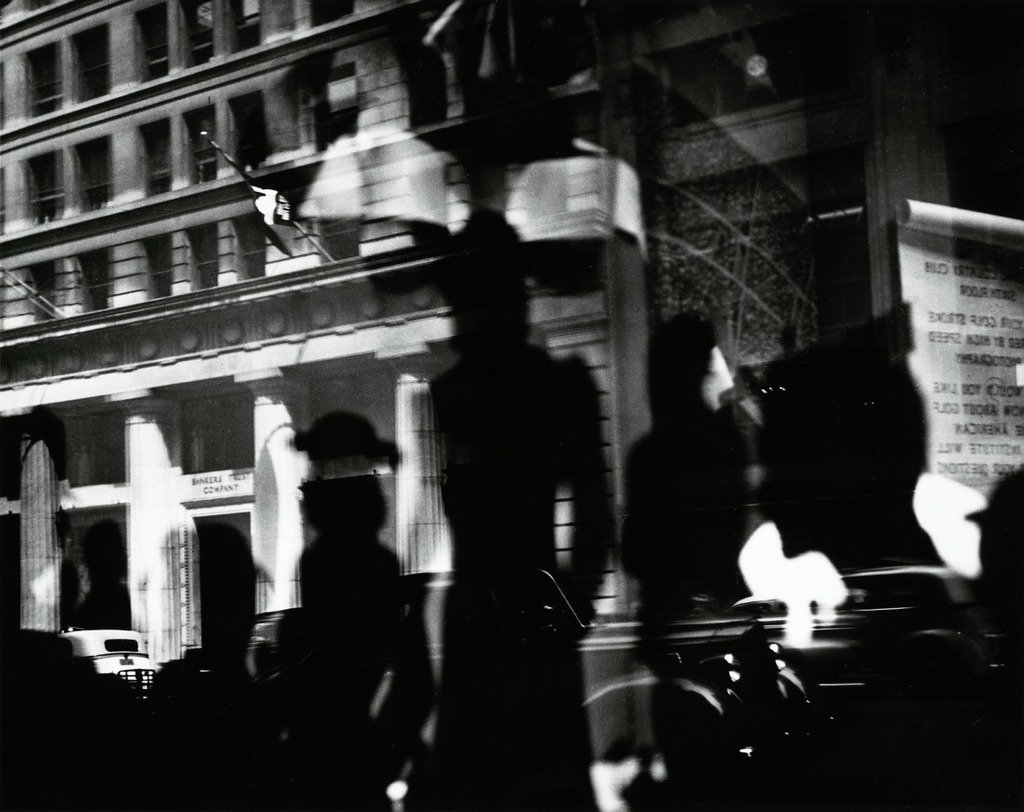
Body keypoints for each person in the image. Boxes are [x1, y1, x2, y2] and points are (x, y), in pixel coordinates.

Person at [429, 210, 607, 809]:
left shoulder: (538, 387)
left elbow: (594, 517)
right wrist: (571, 606)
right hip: (517, 620)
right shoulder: (547, 387)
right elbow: (593, 517)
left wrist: (569, 607)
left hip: (506, 622)